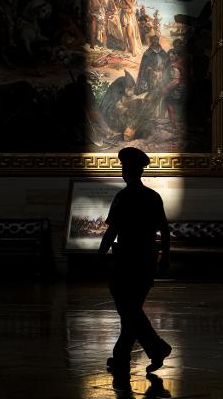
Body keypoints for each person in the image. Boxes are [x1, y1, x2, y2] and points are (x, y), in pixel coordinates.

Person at [98, 147, 172, 375]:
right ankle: (124, 356)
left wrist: (100, 254)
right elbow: (165, 230)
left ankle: (156, 347)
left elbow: (113, 230)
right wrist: (165, 256)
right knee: (131, 310)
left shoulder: (124, 196)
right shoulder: (153, 196)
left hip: (126, 260)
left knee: (128, 309)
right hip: (146, 259)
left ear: (126, 171)